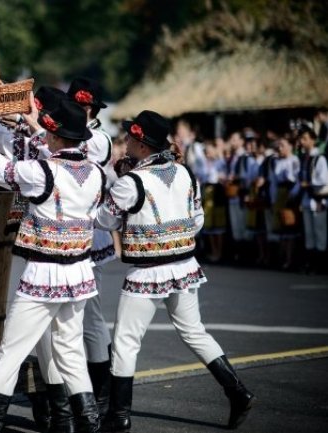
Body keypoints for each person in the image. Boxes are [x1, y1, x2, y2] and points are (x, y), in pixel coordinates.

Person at [96, 110, 255, 432]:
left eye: (130, 137)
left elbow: (104, 220)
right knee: (194, 331)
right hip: (184, 266)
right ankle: (237, 391)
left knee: (126, 342)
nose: (124, 140)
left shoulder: (131, 182)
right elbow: (197, 220)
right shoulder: (184, 173)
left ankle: (119, 415)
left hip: (147, 273)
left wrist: (124, 193)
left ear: (141, 145)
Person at [0, 99, 103, 433]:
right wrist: (39, 130)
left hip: (44, 275)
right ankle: (88, 423)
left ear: (56, 137)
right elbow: (46, 152)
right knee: (70, 353)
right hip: (79, 274)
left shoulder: (41, 172)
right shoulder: (96, 173)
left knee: (10, 353)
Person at [68, 77, 116, 417]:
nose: (83, 111)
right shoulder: (62, 131)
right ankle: (75, 387)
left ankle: (102, 388)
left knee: (90, 315)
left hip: (87, 232)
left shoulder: (99, 139)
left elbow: (74, 146)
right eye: (79, 106)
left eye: (86, 107)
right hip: (63, 231)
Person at [297, 127, 327, 273]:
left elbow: (324, 181)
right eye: (301, 139)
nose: (302, 142)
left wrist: (308, 184)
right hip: (306, 200)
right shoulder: (304, 159)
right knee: (309, 233)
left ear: (313, 140)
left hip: (318, 200)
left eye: (305, 139)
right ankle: (310, 263)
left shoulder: (320, 159)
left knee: (319, 232)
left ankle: (320, 264)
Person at [225, 132, 257, 263]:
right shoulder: (233, 157)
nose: (232, 142)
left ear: (241, 141)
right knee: (236, 225)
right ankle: (238, 253)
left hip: (241, 194)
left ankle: (247, 255)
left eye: (234, 139)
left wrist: (237, 178)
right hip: (233, 194)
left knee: (243, 224)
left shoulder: (246, 158)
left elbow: (250, 177)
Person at [270, 138, 300, 270]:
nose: (279, 148)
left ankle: (290, 259)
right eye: (279, 146)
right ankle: (281, 258)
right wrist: (273, 199)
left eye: (282, 145)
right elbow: (273, 182)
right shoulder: (277, 162)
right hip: (280, 194)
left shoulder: (294, 161)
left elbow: (297, 180)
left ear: (290, 146)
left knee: (290, 226)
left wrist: (292, 194)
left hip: (290, 193)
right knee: (281, 228)